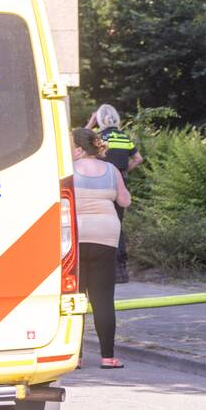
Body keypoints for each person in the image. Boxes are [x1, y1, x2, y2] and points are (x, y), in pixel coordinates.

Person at [72, 128, 131, 369]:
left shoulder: (67, 170)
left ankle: (75, 357)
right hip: (105, 237)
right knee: (103, 299)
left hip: (74, 237)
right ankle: (108, 357)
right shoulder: (111, 170)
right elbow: (125, 201)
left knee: (74, 300)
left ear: (78, 148)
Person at [88, 104, 142, 284]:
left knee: (101, 225)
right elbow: (138, 158)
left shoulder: (99, 137)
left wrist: (90, 122)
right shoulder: (124, 137)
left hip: (102, 185)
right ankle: (121, 272)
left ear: (100, 119)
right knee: (117, 225)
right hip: (121, 184)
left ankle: (104, 269)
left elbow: (78, 144)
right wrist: (125, 169)